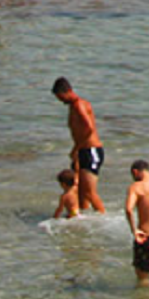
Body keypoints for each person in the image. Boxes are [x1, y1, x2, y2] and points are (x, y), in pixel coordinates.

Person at [52, 78, 106, 212]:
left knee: (89, 192)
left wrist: (77, 147)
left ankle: (104, 218)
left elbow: (89, 128)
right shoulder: (73, 106)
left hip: (91, 150)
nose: (61, 101)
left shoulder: (79, 105)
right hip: (82, 150)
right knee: (80, 192)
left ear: (69, 91)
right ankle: (83, 220)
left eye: (61, 97)